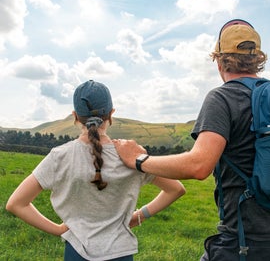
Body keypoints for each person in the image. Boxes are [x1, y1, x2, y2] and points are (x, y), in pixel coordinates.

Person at [113, 19, 270, 261]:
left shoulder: (223, 97)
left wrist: (138, 160)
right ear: (258, 59)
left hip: (247, 239)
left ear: (220, 60)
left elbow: (198, 166)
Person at [6, 80, 186, 261]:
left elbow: (16, 204)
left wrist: (58, 229)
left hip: (76, 252)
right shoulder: (132, 155)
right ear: (111, 114)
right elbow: (176, 189)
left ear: (75, 116)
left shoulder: (59, 156)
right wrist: (140, 216)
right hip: (121, 253)